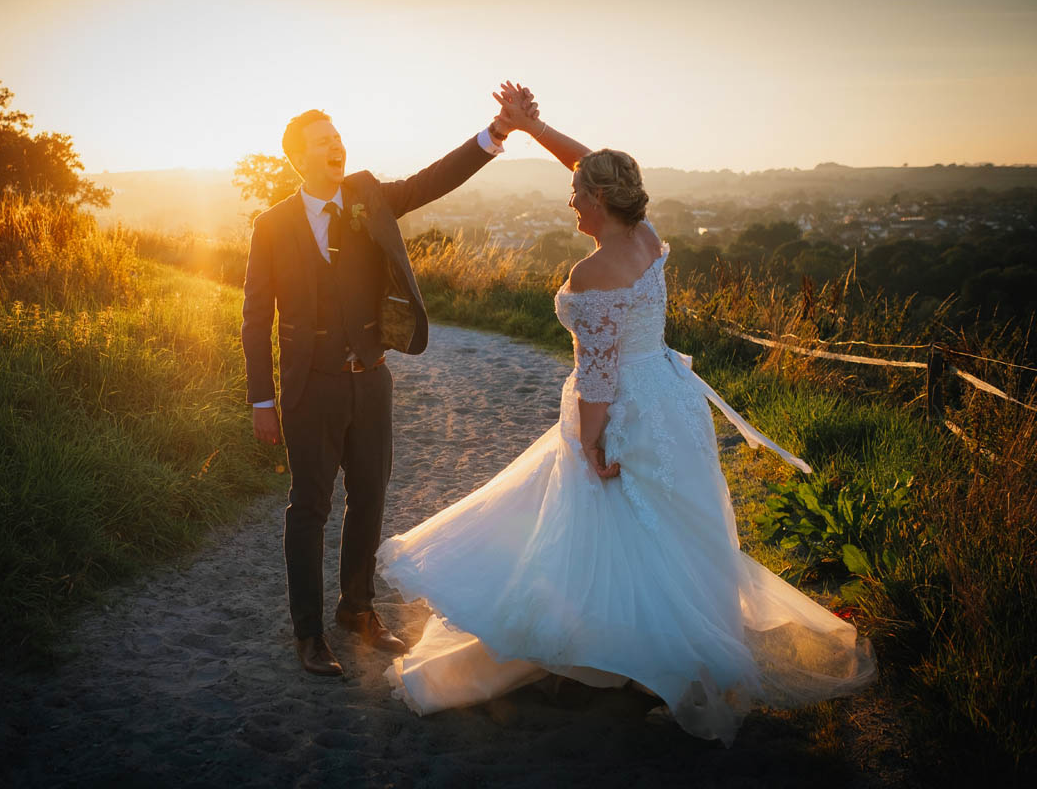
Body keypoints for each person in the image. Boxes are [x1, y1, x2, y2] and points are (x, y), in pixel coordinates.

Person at [374, 83, 878, 746]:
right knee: (671, 536)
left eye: (579, 194)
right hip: (672, 400)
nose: (570, 198)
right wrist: (535, 128)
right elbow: (596, 164)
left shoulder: (592, 274)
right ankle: (656, 665)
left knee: (595, 535)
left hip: (627, 411)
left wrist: (589, 445)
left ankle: (604, 659)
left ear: (601, 201)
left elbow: (597, 377)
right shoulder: (646, 235)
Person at [242, 104, 525, 677]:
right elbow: (255, 319)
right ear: (297, 158)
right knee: (309, 507)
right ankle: (309, 633)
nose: (335, 146)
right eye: (322, 140)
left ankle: (358, 609)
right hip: (308, 389)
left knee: (369, 498)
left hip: (370, 384)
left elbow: (431, 181)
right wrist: (262, 400)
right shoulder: (272, 225)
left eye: (338, 136)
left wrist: (494, 135)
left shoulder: (367, 196)